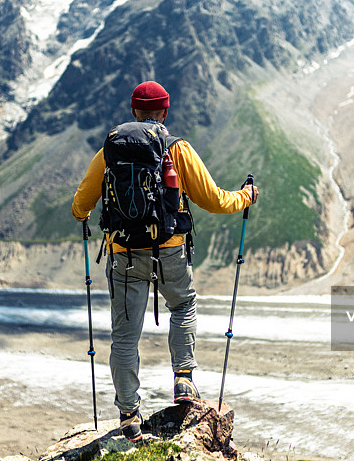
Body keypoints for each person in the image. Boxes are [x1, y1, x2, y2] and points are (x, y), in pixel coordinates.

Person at [71, 81, 258, 441]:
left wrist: (84, 215)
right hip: (170, 248)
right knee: (183, 306)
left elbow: (81, 203)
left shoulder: (110, 150)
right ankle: (184, 379)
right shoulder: (177, 149)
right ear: (165, 112)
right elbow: (215, 200)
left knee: (125, 337)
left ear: (133, 111)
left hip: (123, 253)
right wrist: (246, 196)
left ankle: (129, 415)